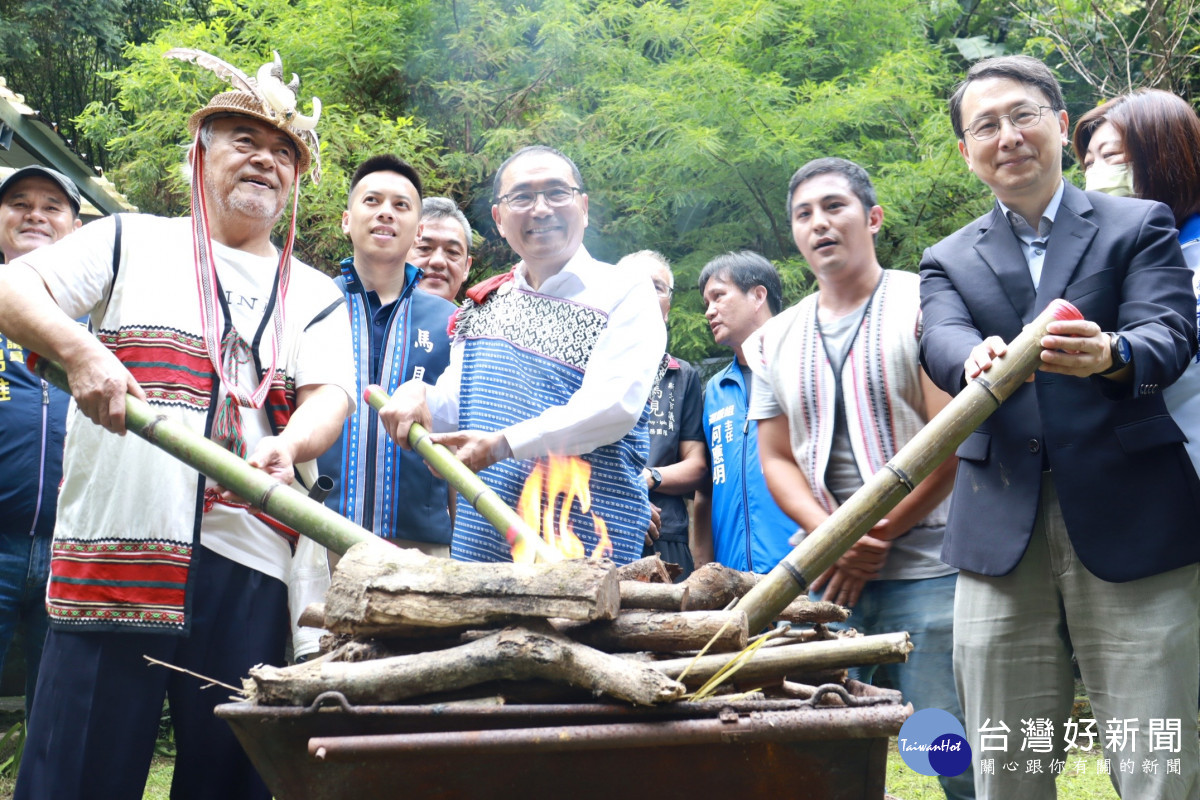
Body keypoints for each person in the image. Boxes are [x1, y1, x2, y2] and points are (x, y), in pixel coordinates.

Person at [0, 51, 355, 800]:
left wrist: (290, 445)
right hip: (116, 549)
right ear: (200, 154)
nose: (265, 159)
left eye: (284, 151)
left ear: (296, 181)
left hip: (252, 565)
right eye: (243, 140)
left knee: (234, 779)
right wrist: (79, 351)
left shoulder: (318, 292)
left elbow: (331, 397)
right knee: (75, 777)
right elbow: (14, 286)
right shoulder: (127, 239)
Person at [920, 55, 1200, 799]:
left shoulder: (1138, 225)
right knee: (1005, 756)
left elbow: (1170, 333)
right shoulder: (945, 258)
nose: (1007, 136)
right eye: (986, 125)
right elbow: (939, 338)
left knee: (1158, 753)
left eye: (1023, 116)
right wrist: (971, 358)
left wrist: (1113, 354)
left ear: (1056, 122)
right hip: (998, 527)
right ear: (966, 151)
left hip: (1134, 512)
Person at [749, 158, 971, 800]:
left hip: (928, 567)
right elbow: (778, 459)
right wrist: (836, 539)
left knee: (942, 744)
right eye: (804, 214)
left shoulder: (925, 306)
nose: (820, 223)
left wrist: (869, 537)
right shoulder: (773, 340)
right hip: (824, 579)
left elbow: (949, 440)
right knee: (818, 738)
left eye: (835, 207)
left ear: (872, 218)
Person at [380, 145, 665, 565]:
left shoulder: (626, 291)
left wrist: (501, 445)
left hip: (584, 547)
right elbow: (456, 412)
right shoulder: (482, 305)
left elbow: (613, 406)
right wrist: (414, 394)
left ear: (583, 207)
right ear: (498, 219)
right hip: (484, 544)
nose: (541, 208)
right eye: (522, 197)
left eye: (557, 193)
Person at [317, 156, 456, 556]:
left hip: (421, 544)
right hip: (316, 529)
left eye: (401, 205)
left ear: (417, 232)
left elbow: (460, 438)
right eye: (372, 200)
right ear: (347, 220)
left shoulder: (451, 321)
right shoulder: (311, 305)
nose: (385, 213)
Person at [1073, 89, 1200, 476]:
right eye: (1088, 164)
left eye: (1111, 157)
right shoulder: (1115, 268)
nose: (1096, 175)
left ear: (1166, 156)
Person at [0, 166, 83, 715]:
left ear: (76, 228)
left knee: (56, 711)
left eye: (52, 206)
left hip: (72, 549)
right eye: (20, 203)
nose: (35, 214)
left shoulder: (99, 319)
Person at [692, 251, 794, 573]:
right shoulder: (714, 392)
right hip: (733, 585)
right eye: (706, 303)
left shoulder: (803, 369)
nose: (710, 311)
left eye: (718, 296)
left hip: (804, 572)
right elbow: (705, 495)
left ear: (758, 296)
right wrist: (703, 572)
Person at [615, 250, 707, 579]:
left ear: (668, 305)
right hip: (601, 531)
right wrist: (624, 495)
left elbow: (698, 468)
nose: (645, 292)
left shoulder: (682, 377)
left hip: (666, 536)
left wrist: (648, 478)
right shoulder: (588, 368)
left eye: (656, 286)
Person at [407, 195, 473, 302]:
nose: (438, 261)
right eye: (424, 248)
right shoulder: (371, 317)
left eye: (452, 252)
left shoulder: (481, 319)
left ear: (466, 268)